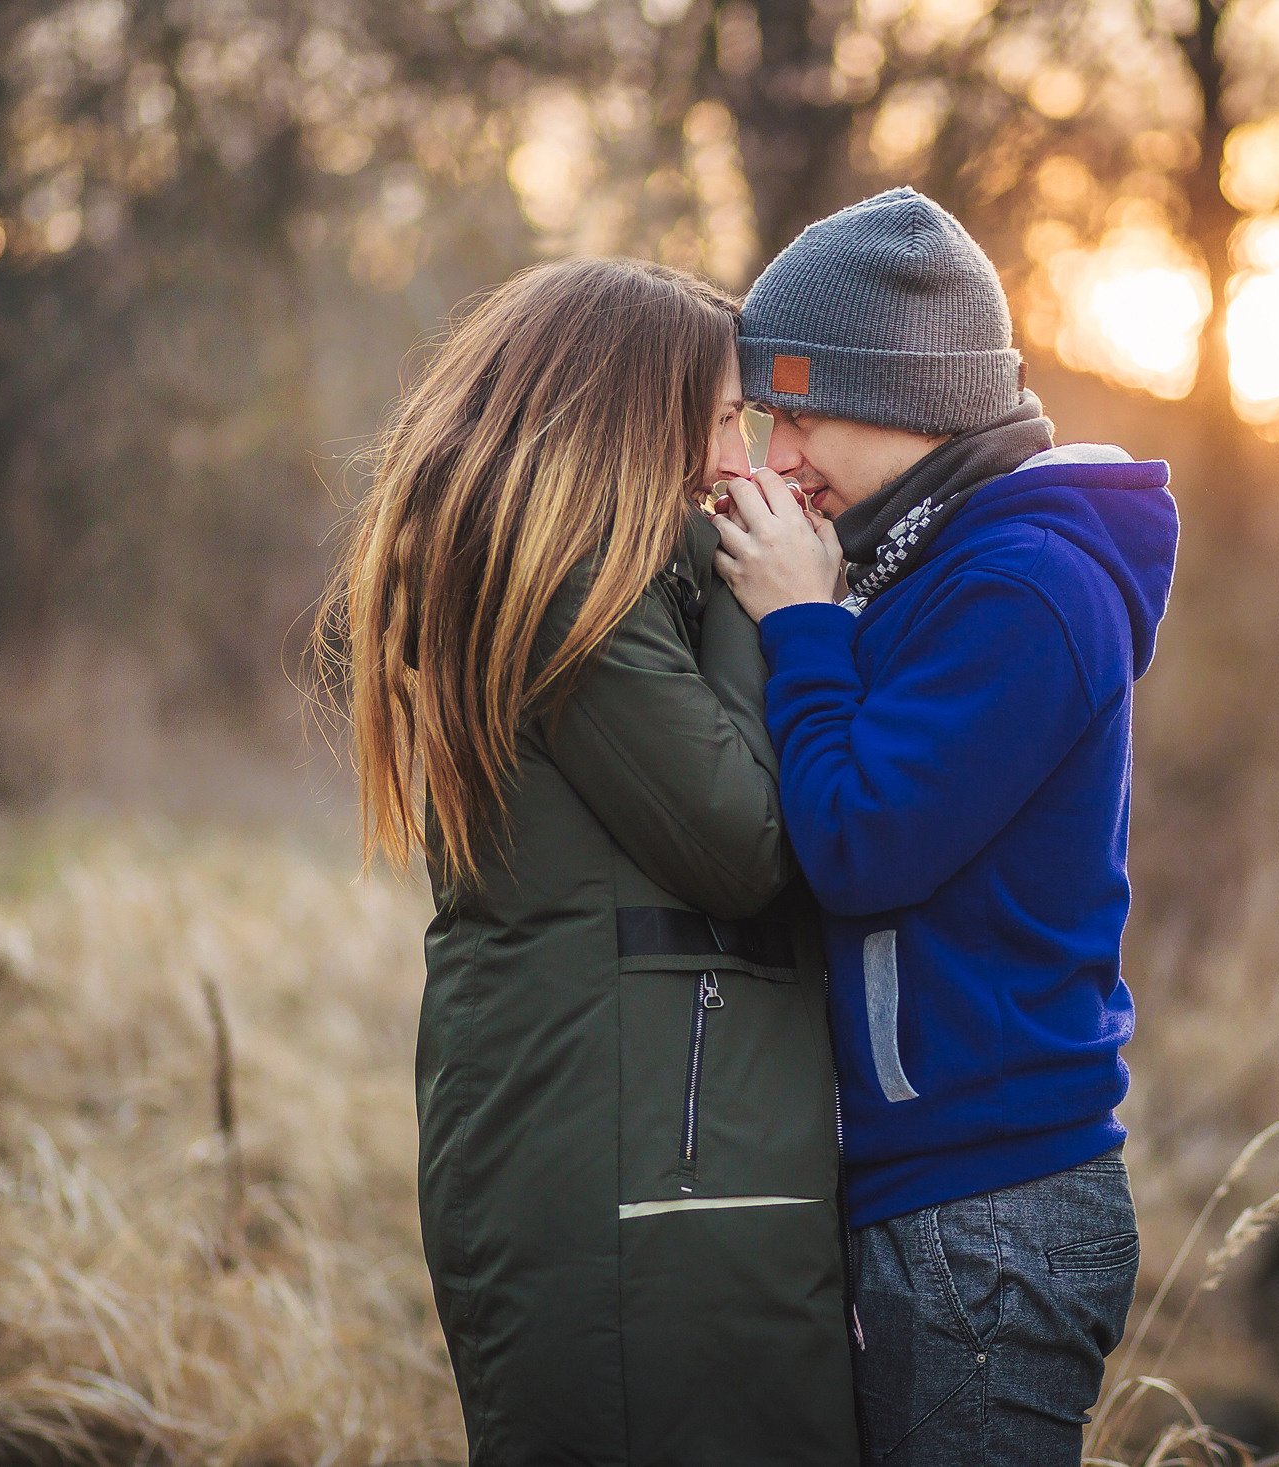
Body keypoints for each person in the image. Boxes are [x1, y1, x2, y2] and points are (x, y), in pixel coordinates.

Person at [322, 257, 861, 1466]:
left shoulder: (594, 581)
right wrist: (777, 609)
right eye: (725, 418)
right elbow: (748, 844)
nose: (751, 460)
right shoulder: (569, 583)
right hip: (628, 1185)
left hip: (643, 1168)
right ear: (631, 416)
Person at [710, 187, 1179, 1465]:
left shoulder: (1027, 586)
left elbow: (864, 840)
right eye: (764, 413)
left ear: (907, 399)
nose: (777, 450)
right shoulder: (926, 566)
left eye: (800, 409)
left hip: (989, 1213)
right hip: (938, 1193)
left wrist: (803, 629)